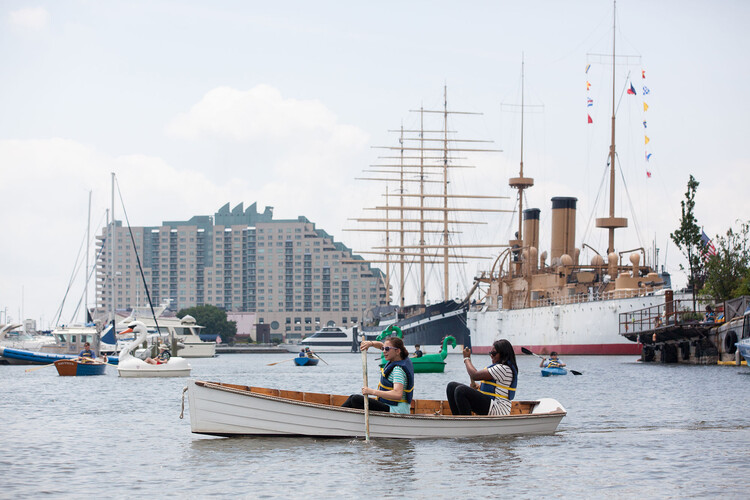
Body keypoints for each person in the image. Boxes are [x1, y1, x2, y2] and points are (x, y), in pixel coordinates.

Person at [342, 337, 414, 414]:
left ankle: (337, 417)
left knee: (355, 399)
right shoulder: (399, 357)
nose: (383, 351)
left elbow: (397, 394)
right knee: (352, 398)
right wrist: (370, 344)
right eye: (383, 349)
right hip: (391, 405)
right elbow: (380, 345)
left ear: (397, 351)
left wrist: (371, 391)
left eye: (387, 349)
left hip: (396, 410)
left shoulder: (398, 370)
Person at [446, 339, 518, 416]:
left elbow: (474, 375)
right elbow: (496, 389)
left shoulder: (504, 369)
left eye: (494, 353)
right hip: (492, 405)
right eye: (490, 353)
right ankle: (458, 420)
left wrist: (466, 359)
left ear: (503, 354)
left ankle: (466, 424)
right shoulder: (501, 368)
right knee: (451, 386)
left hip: (498, 409)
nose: (491, 356)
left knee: (461, 390)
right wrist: (479, 387)